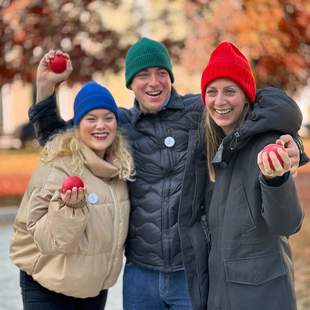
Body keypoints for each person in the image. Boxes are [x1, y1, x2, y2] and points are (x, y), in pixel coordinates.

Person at [28, 38, 305, 310]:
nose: (153, 82)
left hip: (190, 269)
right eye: (143, 75)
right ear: (130, 83)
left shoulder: (200, 111)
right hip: (141, 272)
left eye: (161, 73)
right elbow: (59, 139)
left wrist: (292, 145)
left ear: (170, 77)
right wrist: (44, 88)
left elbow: (262, 114)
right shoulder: (120, 126)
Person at [200, 41, 308, 310]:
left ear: (247, 95)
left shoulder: (267, 144)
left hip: (263, 299)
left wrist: (276, 180)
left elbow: (288, 223)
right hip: (219, 298)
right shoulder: (214, 147)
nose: (219, 101)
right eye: (211, 92)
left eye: (230, 91)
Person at [10, 81, 135, 310]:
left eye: (108, 117)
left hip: (91, 289)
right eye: (91, 118)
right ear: (77, 125)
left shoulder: (120, 169)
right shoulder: (58, 166)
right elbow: (48, 241)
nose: (101, 125)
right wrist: (70, 210)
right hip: (47, 286)